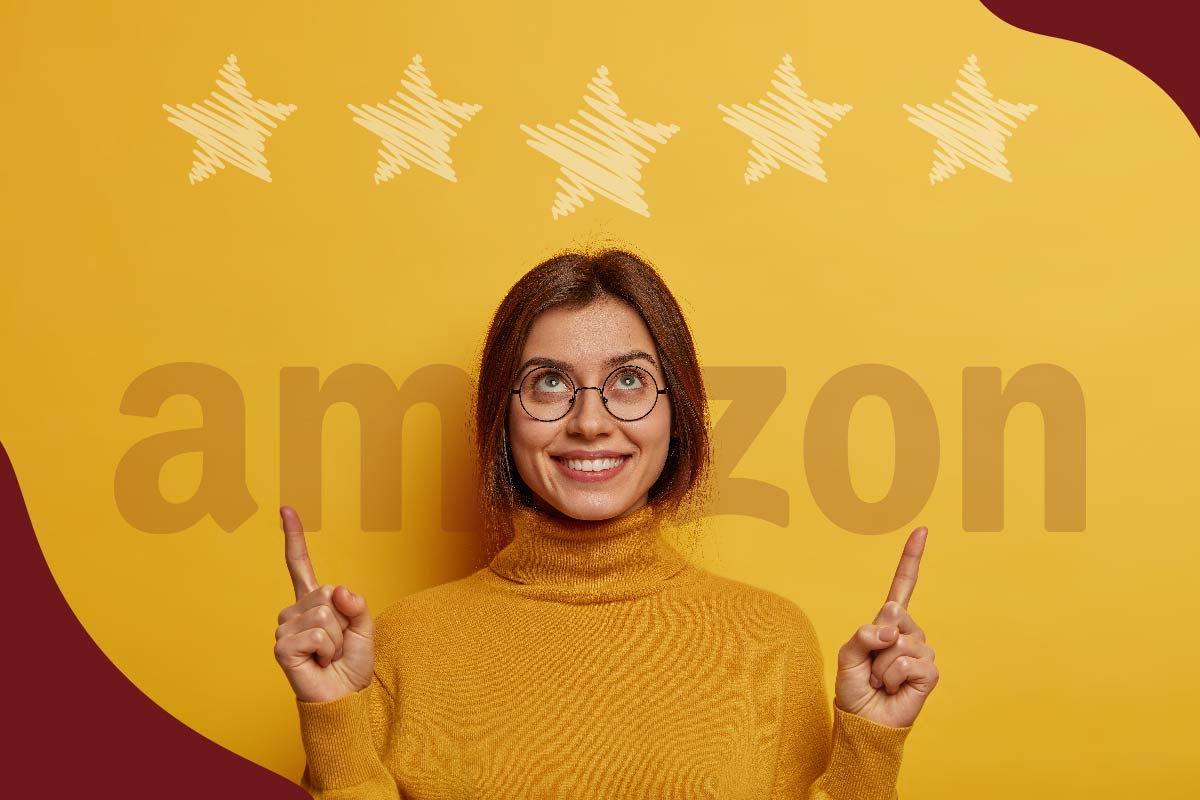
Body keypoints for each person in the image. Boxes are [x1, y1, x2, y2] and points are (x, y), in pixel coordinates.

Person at [273, 247, 938, 799]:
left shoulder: (771, 639)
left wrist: (867, 749)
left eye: (627, 381)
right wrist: (335, 720)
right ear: (501, 418)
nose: (590, 423)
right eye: (549, 384)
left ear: (674, 411)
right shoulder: (403, 646)